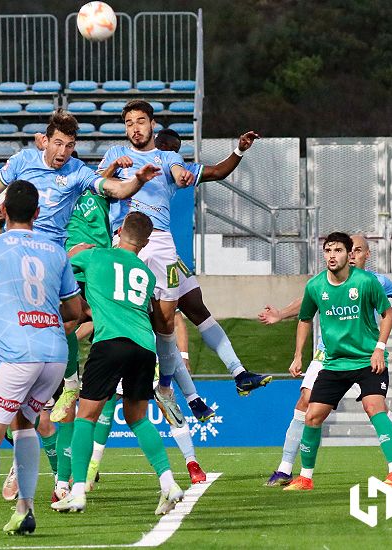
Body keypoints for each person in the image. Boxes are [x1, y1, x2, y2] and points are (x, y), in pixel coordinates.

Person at [98, 101, 270, 429]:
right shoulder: (116, 154)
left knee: (182, 313)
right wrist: (111, 171)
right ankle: (164, 388)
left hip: (161, 243)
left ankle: (229, 375)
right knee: (137, 319)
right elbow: (96, 184)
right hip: (127, 240)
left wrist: (237, 150)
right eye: (130, 122)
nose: (135, 127)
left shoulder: (168, 159)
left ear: (151, 124)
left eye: (141, 121)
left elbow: (197, 171)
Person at [0, 180, 83, 540]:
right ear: (38, 214)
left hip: (15, 353)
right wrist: (44, 313)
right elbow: (75, 309)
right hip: (54, 354)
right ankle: (25, 510)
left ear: (2, 211)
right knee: (25, 424)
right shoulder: (55, 251)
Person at [258, 235, 392, 486]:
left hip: (365, 355)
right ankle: (287, 468)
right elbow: (307, 305)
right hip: (328, 356)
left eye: (354, 250)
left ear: (366, 254)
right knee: (307, 405)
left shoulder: (373, 281)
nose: (348, 254)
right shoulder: (320, 283)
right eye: (335, 250)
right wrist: (281, 316)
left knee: (378, 409)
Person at [51, 211, 185, 514]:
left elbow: (63, 264)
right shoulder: (147, 274)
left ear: (120, 229)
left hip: (110, 342)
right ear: (147, 242)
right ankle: (168, 483)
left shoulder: (96, 257)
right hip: (143, 347)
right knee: (137, 418)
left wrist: (76, 249)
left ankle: (78, 491)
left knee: (86, 417)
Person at [152, 128, 266, 423]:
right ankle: (187, 397)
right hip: (137, 252)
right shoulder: (129, 163)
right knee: (163, 326)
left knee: (197, 310)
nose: (172, 152)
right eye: (168, 147)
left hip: (165, 252)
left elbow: (217, 171)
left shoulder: (172, 166)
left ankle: (239, 374)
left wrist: (239, 151)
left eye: (175, 150)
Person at [283, 232, 392, 491]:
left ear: (349, 255)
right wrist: (297, 356)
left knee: (375, 407)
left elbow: (387, 313)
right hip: (335, 363)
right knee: (313, 416)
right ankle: (305, 477)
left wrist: (379, 349)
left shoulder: (365, 282)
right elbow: (304, 319)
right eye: (328, 250)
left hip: (367, 361)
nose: (331, 255)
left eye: (338, 250)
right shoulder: (316, 286)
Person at [0, 109, 160, 248]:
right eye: (58, 143)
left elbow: (115, 190)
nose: (63, 152)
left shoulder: (77, 170)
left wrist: (138, 180)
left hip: (53, 249)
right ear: (45, 141)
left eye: (70, 146)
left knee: (71, 315)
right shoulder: (23, 160)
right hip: (16, 242)